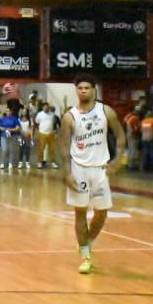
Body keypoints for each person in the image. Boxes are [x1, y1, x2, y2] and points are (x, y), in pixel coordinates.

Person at [57, 77, 128, 275]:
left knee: (101, 213)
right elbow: (64, 146)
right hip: (78, 168)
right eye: (80, 88)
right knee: (80, 212)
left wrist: (119, 159)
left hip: (100, 169)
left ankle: (86, 242)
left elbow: (120, 136)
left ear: (94, 90)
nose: (83, 91)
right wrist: (67, 173)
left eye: (87, 88)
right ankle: (86, 257)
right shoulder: (69, 116)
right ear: (76, 90)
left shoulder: (106, 111)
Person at [34, 104, 57, 168]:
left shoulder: (52, 114)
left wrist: (53, 130)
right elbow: (36, 123)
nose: (46, 108)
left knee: (52, 149)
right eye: (44, 107)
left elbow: (53, 123)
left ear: (48, 108)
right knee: (41, 148)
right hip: (42, 133)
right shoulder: (39, 114)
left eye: (47, 107)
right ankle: (39, 162)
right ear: (42, 107)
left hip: (51, 134)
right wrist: (39, 130)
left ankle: (53, 162)